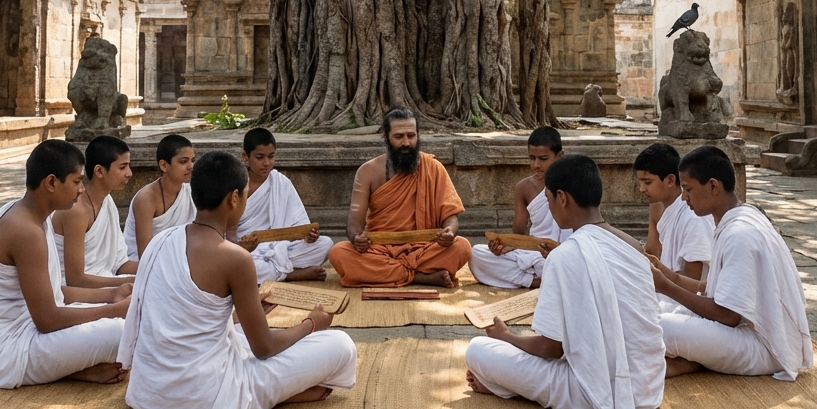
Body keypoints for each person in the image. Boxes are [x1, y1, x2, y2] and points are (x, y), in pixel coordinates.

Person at [118, 150, 357, 409]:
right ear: (234, 198)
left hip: (149, 393)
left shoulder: (161, 242)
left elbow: (181, 319)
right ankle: (275, 395)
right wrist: (311, 324)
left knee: (238, 334)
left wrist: (243, 314)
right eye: (244, 194)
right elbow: (264, 348)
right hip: (206, 398)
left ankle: (279, 389)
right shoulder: (235, 257)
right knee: (341, 345)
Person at [464, 154, 665, 409]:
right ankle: (502, 384)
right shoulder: (631, 245)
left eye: (547, 200)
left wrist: (507, 337)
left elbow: (550, 348)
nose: (548, 205)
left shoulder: (565, 255)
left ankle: (504, 385)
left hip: (592, 394)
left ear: (562, 197)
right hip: (649, 388)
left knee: (478, 350)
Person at [0, 140, 130, 388]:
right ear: (50, 183)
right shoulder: (25, 230)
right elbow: (47, 320)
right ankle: (69, 368)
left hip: (21, 332)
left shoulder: (33, 216)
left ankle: (71, 368)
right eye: (77, 181)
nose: (81, 190)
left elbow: (54, 292)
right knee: (122, 332)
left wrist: (113, 294)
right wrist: (114, 311)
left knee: (120, 324)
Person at [655, 145, 813, 381]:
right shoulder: (740, 216)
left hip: (765, 346)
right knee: (656, 309)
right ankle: (692, 361)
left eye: (687, 189)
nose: (683, 197)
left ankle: (690, 361)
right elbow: (715, 288)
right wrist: (667, 276)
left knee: (662, 326)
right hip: (745, 332)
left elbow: (729, 316)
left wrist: (666, 287)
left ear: (713, 186)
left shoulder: (739, 233)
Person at [328, 108, 472, 288]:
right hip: (380, 248)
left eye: (411, 135)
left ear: (418, 135)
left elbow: (450, 216)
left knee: (462, 246)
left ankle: (391, 274)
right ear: (385, 137)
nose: (406, 143)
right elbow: (354, 221)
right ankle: (421, 277)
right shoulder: (368, 171)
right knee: (338, 252)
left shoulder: (433, 168)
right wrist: (357, 238)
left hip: (424, 247)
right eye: (399, 137)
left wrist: (449, 232)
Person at [469, 127, 570, 288]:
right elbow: (518, 235)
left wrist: (558, 252)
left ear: (559, 156)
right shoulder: (524, 187)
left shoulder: (572, 184)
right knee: (476, 254)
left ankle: (540, 278)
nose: (536, 165)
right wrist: (506, 245)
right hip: (534, 253)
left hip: (563, 254)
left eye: (543, 158)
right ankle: (536, 282)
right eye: (532, 158)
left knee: (574, 262)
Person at [231, 128, 333, 283]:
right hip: (247, 251)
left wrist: (308, 234)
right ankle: (290, 275)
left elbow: (300, 224)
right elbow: (226, 231)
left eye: (271, 157)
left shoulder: (281, 182)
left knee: (325, 244)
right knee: (238, 264)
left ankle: (274, 273)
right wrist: (242, 246)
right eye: (260, 157)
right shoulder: (235, 186)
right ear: (245, 157)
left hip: (280, 249)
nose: (267, 163)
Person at [52, 136, 138, 287]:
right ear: (99, 171)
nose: (129, 173)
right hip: (72, 293)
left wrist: (155, 268)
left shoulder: (108, 202)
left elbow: (119, 264)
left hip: (105, 281)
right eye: (122, 167)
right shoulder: (76, 210)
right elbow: (75, 280)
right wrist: (133, 281)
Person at [633, 142, 714, 281]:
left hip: (684, 299)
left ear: (670, 180)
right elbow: (652, 252)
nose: (641, 189)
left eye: (648, 182)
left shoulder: (694, 218)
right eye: (640, 182)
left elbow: (693, 280)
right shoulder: (657, 206)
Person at [124, 134, 197, 261]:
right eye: (183, 161)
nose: (191, 166)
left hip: (181, 260)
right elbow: (145, 254)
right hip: (145, 263)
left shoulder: (192, 192)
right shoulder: (146, 198)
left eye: (192, 160)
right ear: (164, 165)